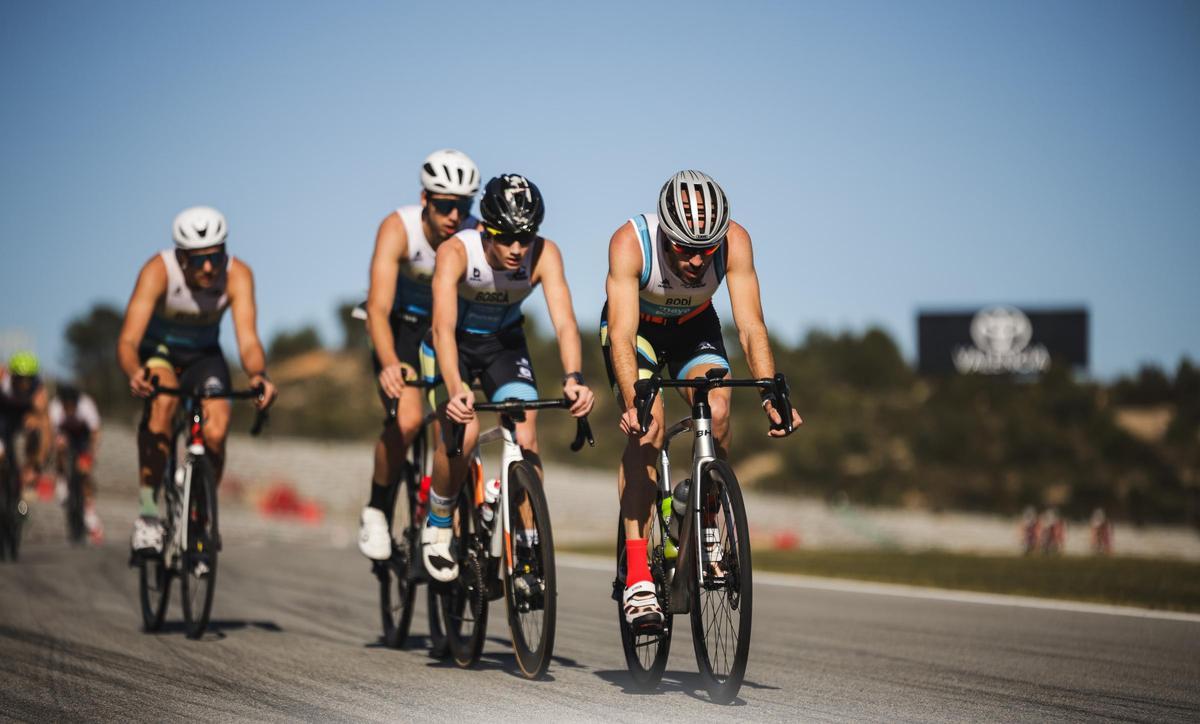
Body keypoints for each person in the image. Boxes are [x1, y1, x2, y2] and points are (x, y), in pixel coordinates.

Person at [601, 170, 802, 630]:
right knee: (649, 428)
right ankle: (636, 576)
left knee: (721, 404)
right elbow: (623, 336)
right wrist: (635, 401)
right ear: (666, 234)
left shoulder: (735, 241)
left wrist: (771, 391)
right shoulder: (630, 243)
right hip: (638, 333)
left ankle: (708, 528)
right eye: (684, 249)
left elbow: (751, 326)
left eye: (705, 250)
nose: (695, 261)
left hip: (695, 326)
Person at [421, 173, 594, 582]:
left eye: (526, 237)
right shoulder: (455, 253)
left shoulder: (544, 254)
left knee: (527, 433)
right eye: (506, 238)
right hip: (453, 347)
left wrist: (573, 377)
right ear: (484, 230)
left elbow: (566, 323)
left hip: (503, 345)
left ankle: (527, 543)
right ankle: (440, 521)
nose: (518, 249)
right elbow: (442, 329)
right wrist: (456, 388)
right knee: (461, 435)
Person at [117, 206, 277, 555]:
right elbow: (128, 340)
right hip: (160, 353)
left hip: (204, 356)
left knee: (217, 430)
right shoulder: (158, 271)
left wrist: (258, 376)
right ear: (181, 256)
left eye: (216, 257)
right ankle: (147, 515)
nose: (209, 268)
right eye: (199, 259)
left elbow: (248, 339)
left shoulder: (237, 276)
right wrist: (135, 373)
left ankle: (200, 515)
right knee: (163, 405)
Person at [358, 149, 482, 560]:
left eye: (463, 206)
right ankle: (376, 509)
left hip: (444, 335)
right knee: (408, 418)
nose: (454, 216)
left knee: (453, 429)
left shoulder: (472, 234)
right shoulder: (398, 228)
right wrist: (390, 363)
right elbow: (376, 308)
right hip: (400, 330)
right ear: (425, 200)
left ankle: (443, 517)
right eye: (446, 206)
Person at [49, 384, 103, 543]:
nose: (69, 409)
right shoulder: (55, 407)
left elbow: (95, 433)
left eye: (72, 406)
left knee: (84, 470)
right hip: (64, 435)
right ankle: (61, 481)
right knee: (60, 446)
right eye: (67, 406)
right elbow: (50, 432)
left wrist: (90, 456)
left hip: (83, 437)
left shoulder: (86, 405)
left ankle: (88, 509)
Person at [0, 351, 51, 503]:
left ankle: (26, 473)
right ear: (12, 375)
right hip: (2, 417)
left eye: (28, 379)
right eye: (19, 378)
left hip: (22, 421)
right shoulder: (2, 379)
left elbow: (45, 427)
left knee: (35, 427)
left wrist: (38, 463)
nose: (23, 383)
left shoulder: (39, 392)